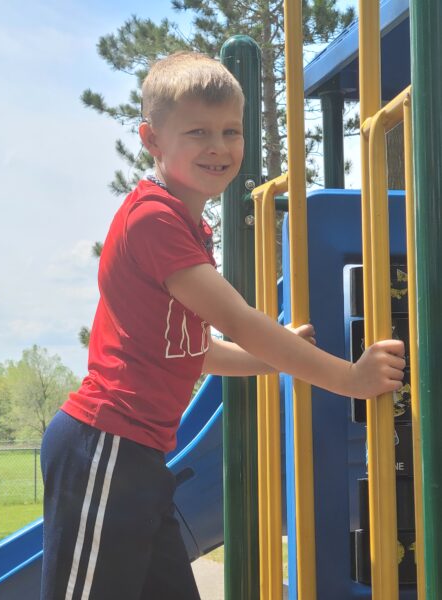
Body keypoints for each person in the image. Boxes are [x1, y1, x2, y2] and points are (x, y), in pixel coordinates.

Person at [40, 51, 405, 600]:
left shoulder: (187, 225)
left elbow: (196, 349)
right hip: (104, 446)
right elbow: (236, 318)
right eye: (198, 132)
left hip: (139, 456)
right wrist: (349, 378)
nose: (219, 146)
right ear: (151, 139)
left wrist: (269, 358)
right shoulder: (154, 221)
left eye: (231, 131)